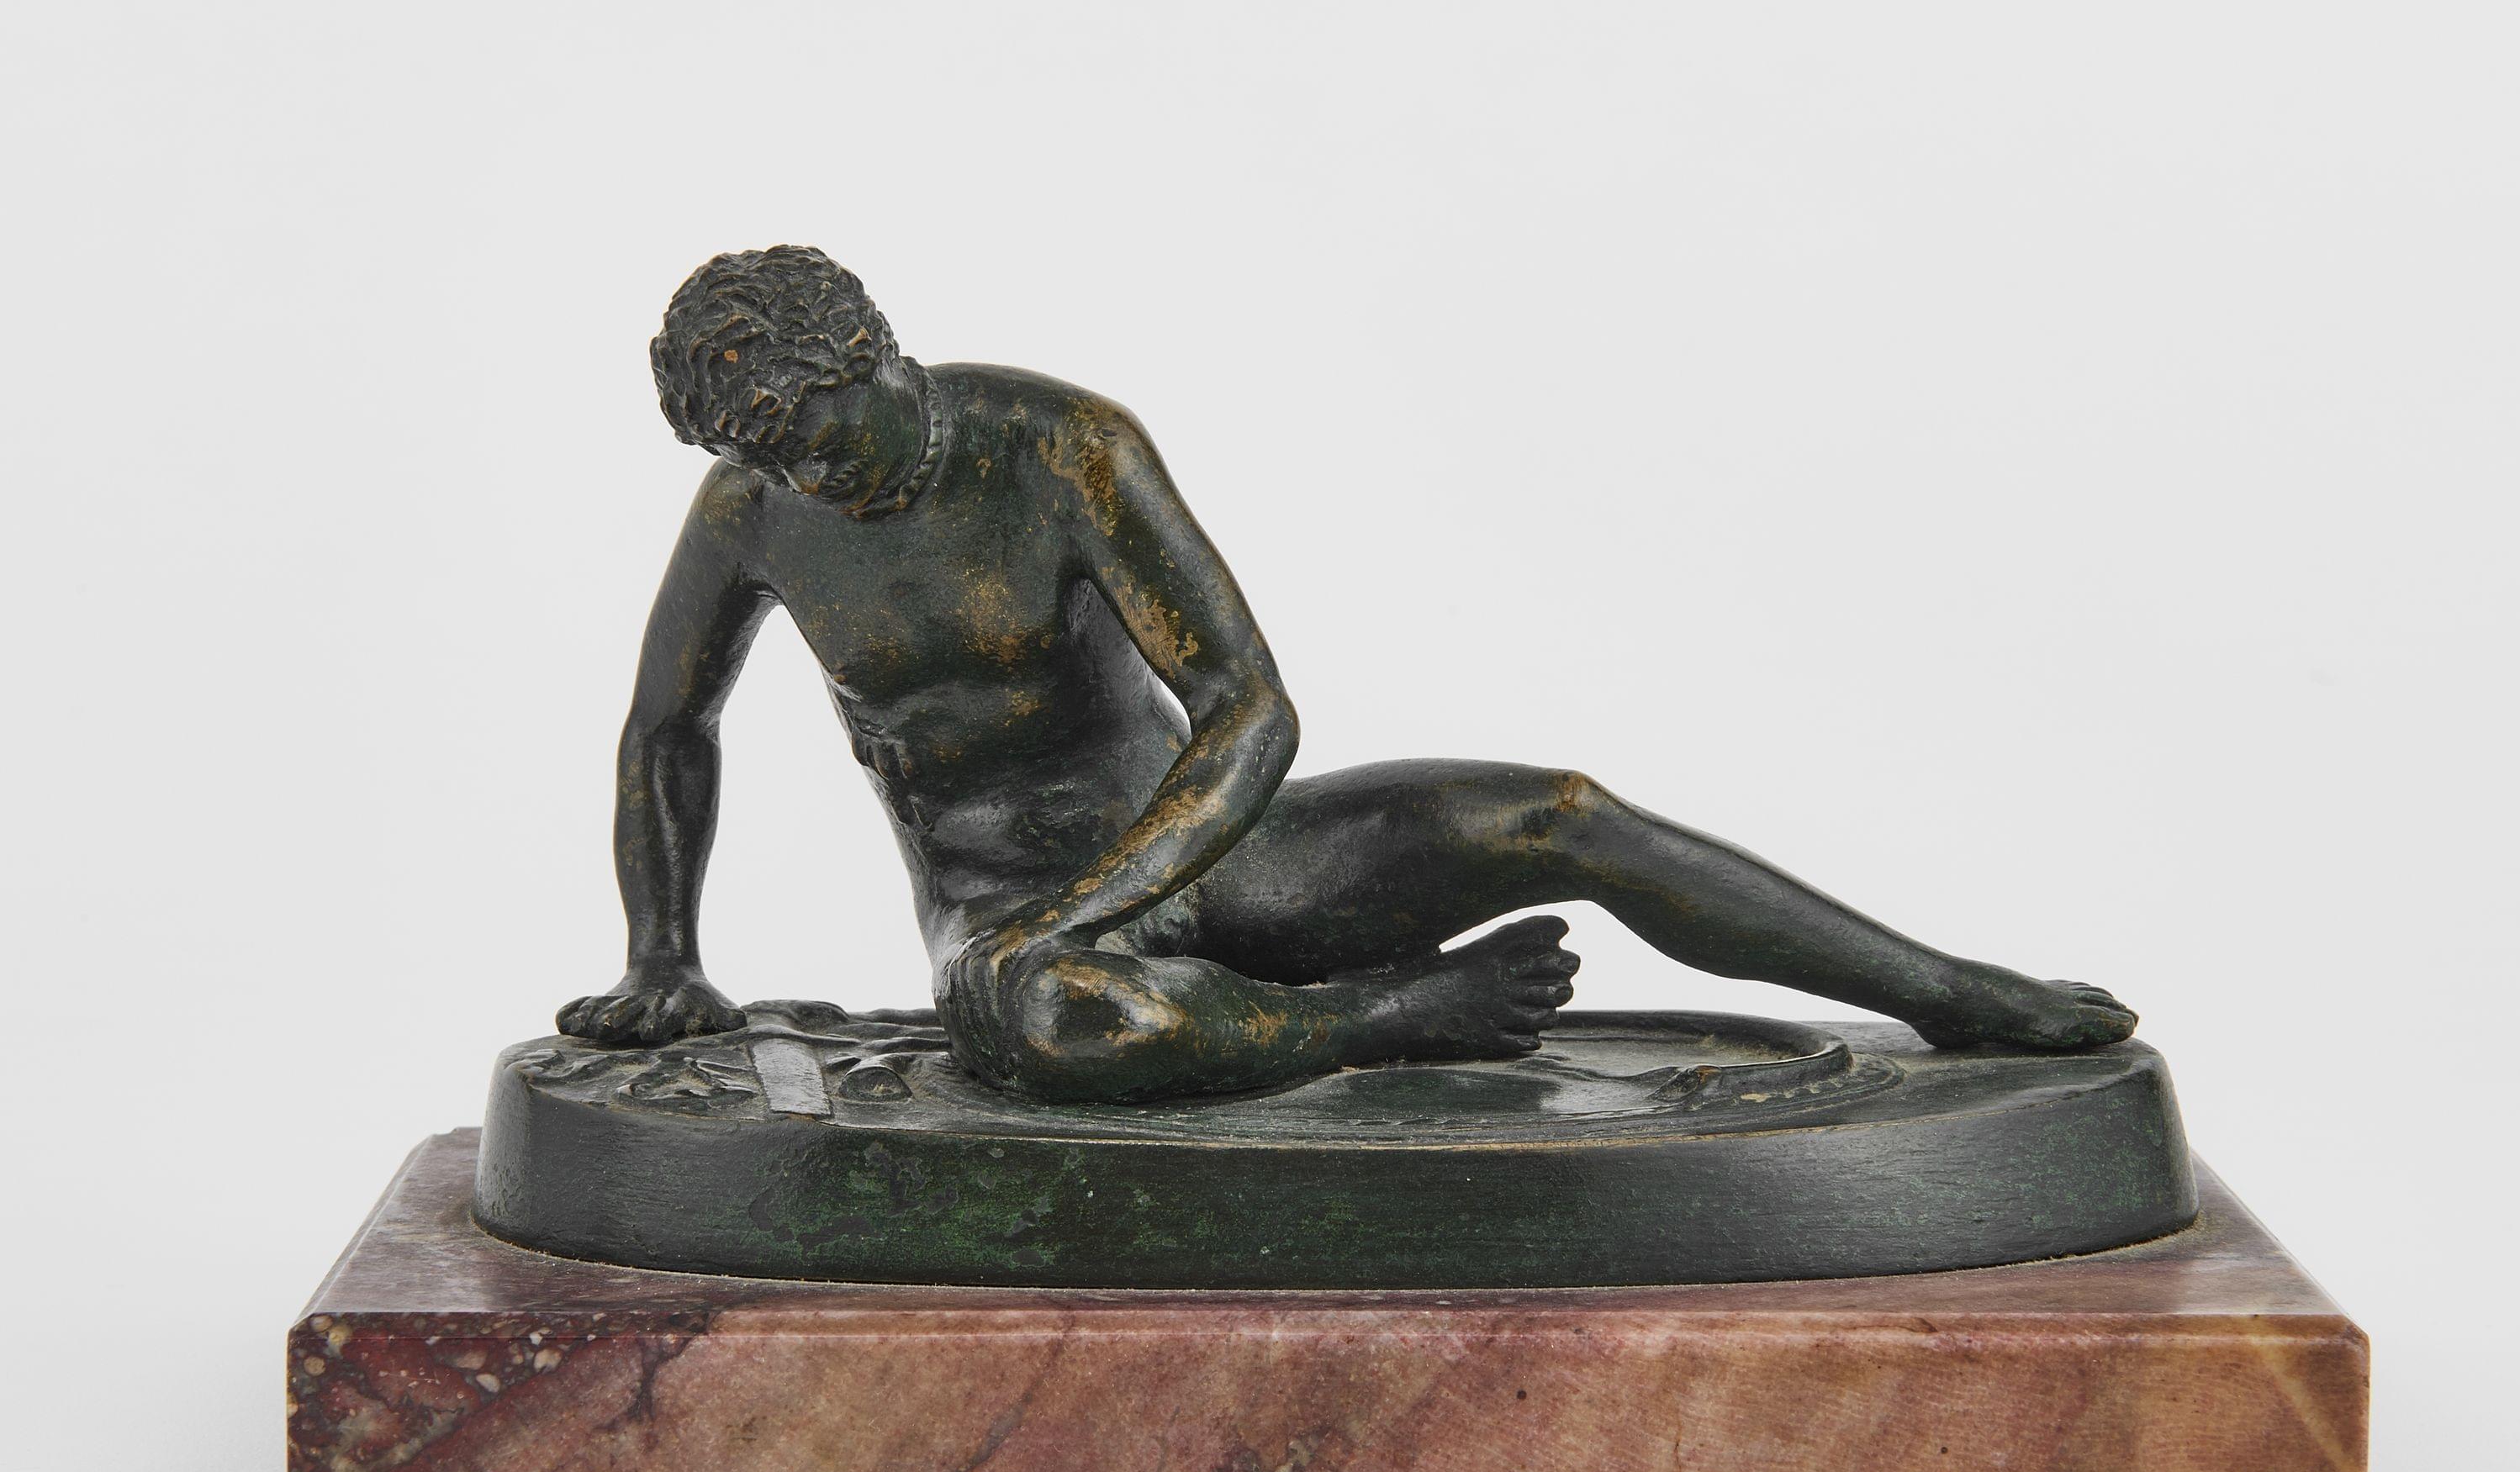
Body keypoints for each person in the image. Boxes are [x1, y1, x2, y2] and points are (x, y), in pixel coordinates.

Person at [560, 246, 2134, 1103]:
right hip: (1014, 924)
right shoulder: (751, 514)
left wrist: (1111, 887)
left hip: (1218, 854)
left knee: (1558, 811)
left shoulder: (1058, 446)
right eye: (761, 450)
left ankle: (1942, 989)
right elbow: (665, 727)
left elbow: (1247, 709)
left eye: (812, 429)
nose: (803, 471)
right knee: (1066, 1023)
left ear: (873, 355)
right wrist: (661, 956)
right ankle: (1377, 1019)